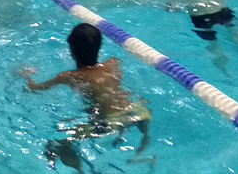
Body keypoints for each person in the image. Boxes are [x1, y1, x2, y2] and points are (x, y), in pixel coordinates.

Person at [19, 23, 151, 173]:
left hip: (110, 121)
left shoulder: (70, 77)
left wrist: (26, 76)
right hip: (138, 111)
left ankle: (79, 171)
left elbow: (34, 89)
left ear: (72, 51)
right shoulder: (113, 63)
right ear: (99, 47)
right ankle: (142, 153)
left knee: (56, 144)